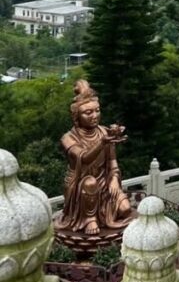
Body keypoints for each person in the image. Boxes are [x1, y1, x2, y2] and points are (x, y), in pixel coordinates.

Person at [55, 79, 132, 238]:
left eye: (97, 110)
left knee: (126, 210)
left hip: (105, 180)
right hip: (81, 185)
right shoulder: (68, 138)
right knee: (90, 183)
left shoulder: (104, 132)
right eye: (88, 113)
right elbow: (84, 159)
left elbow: (112, 162)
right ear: (77, 116)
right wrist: (101, 143)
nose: (95, 116)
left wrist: (114, 180)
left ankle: (106, 212)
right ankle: (89, 218)